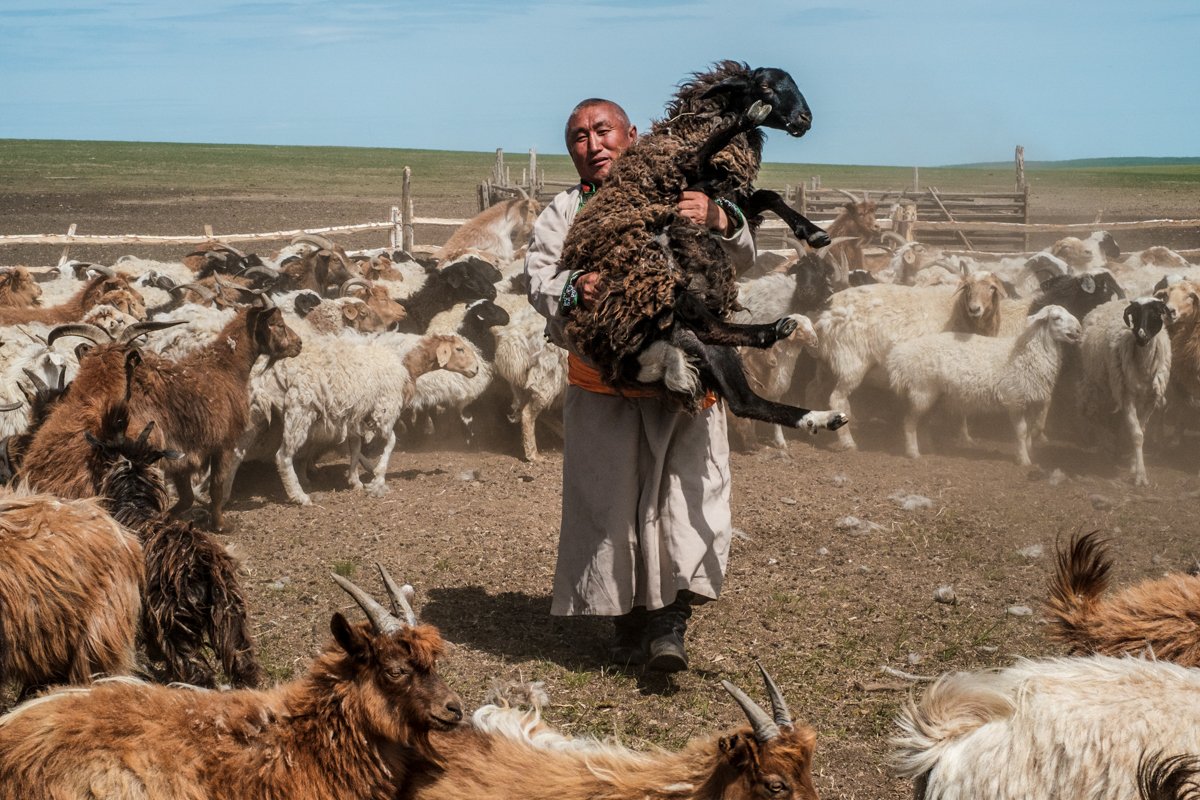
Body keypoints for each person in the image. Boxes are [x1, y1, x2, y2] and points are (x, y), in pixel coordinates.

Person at [524, 98, 756, 672]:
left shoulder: (679, 192)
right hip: (603, 387)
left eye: (603, 131)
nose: (593, 145)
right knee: (611, 506)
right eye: (579, 137)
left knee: (684, 499)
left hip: (685, 388)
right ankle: (626, 621)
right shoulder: (564, 211)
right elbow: (540, 279)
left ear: (631, 134)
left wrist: (720, 218)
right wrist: (578, 285)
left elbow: (741, 258)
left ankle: (669, 622)